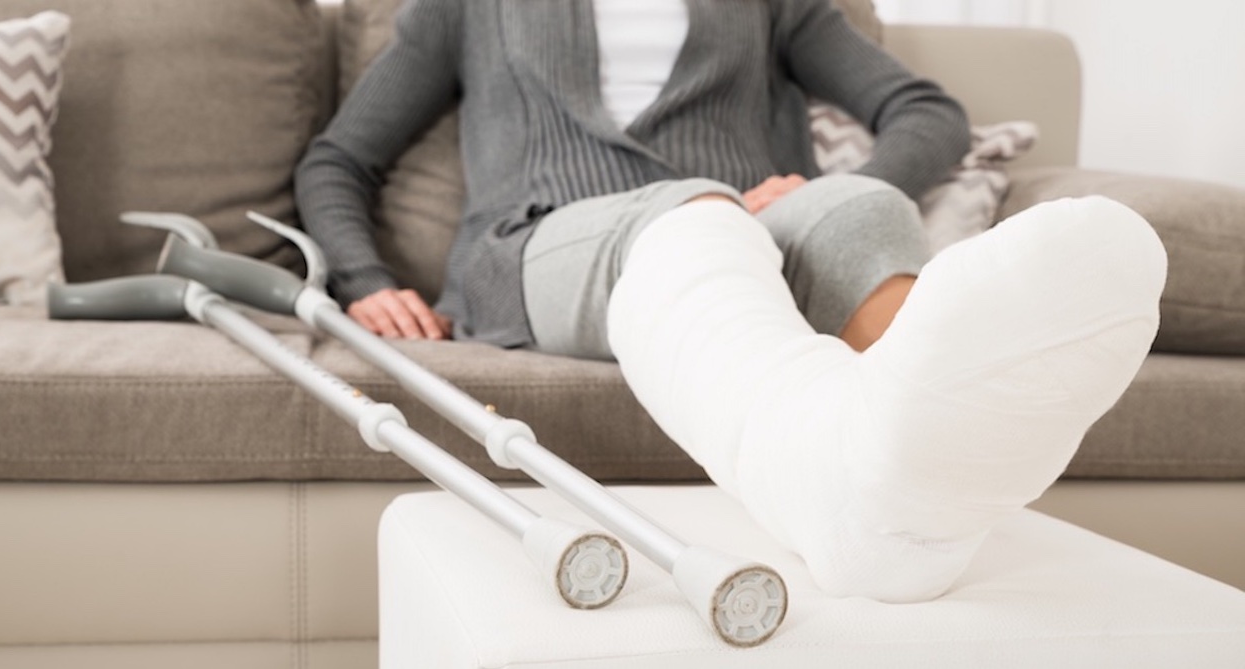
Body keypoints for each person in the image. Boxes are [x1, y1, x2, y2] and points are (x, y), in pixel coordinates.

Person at [297, 0, 1167, 603]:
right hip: (541, 243)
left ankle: (919, 480)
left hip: (754, 232)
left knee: (852, 209)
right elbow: (337, 159)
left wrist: (832, 184)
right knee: (698, 209)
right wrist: (366, 280)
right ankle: (862, 502)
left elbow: (924, 112)